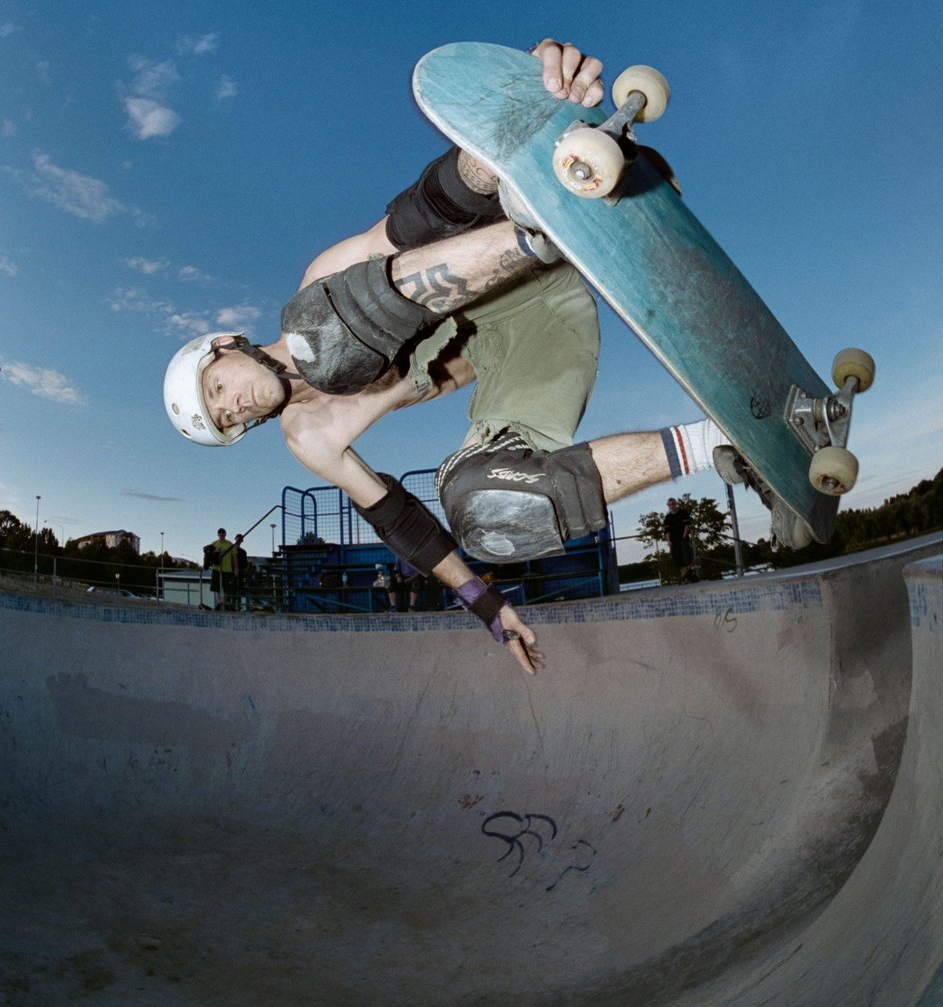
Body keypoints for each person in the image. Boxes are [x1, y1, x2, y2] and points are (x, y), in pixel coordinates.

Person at [164, 39, 736, 674]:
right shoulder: (309, 438)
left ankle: (539, 212)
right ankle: (727, 443)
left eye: (218, 390)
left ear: (224, 345)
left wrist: (502, 138)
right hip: (526, 337)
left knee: (321, 335)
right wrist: (488, 606)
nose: (235, 405)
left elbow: (417, 220)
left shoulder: (317, 286)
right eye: (227, 421)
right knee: (486, 505)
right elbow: (398, 522)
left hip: (499, 249)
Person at [663, 497, 698, 583]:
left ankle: (690, 573)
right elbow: (667, 531)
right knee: (676, 557)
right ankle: (685, 574)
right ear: (668, 506)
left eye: (673, 504)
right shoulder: (668, 517)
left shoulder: (682, 512)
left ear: (676, 504)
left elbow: (687, 525)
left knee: (686, 555)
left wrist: (684, 536)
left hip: (683, 538)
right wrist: (668, 541)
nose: (671, 506)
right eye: (669, 505)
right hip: (674, 540)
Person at [205, 527, 234, 610]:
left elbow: (234, 557)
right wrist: (216, 551)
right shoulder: (214, 544)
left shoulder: (229, 544)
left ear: (225, 534)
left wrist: (234, 568)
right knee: (216, 587)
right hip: (217, 568)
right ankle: (218, 603)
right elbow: (209, 555)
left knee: (227, 588)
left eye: (223, 534)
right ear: (218, 534)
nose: (221, 536)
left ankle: (223, 602)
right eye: (220, 534)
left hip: (227, 569)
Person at [232, 533, 250, 609]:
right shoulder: (231, 549)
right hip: (232, 572)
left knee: (239, 588)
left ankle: (238, 605)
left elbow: (244, 564)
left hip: (240, 572)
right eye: (238, 539)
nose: (239, 541)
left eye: (240, 539)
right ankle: (232, 605)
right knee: (232, 588)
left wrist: (244, 570)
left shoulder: (243, 552)